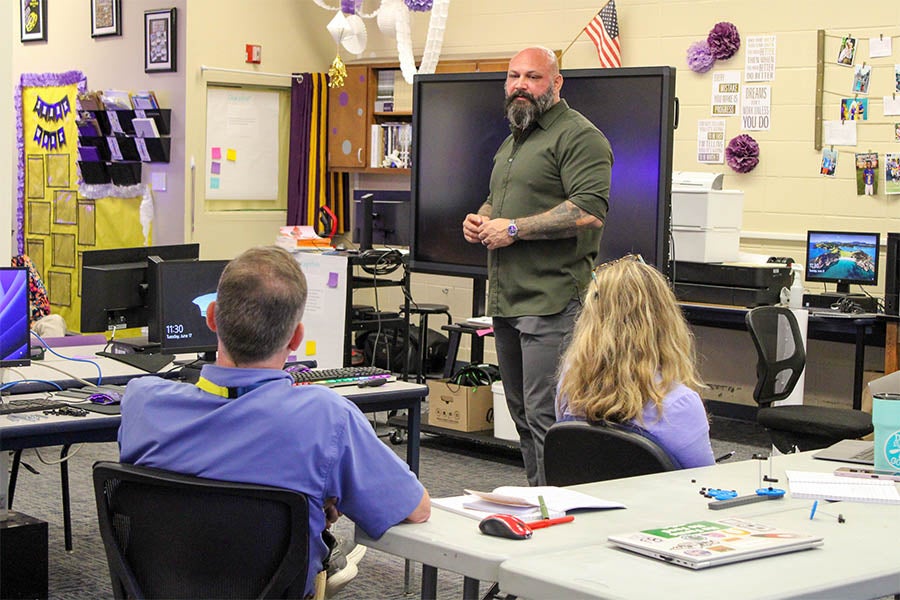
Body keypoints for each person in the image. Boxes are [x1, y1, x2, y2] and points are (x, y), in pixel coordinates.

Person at [118, 246, 430, 598]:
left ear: (211, 316)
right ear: (296, 338)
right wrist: (319, 491)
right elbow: (415, 509)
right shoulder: (326, 417)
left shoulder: (142, 403)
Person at [461, 46, 613, 486]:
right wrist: (483, 218)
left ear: (557, 83)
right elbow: (504, 203)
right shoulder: (514, 140)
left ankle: (559, 514)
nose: (520, 86)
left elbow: (588, 211)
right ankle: (538, 501)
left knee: (550, 419)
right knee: (522, 416)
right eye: (512, 77)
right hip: (507, 299)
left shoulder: (580, 136)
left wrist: (513, 230)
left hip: (552, 302)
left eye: (533, 77)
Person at [555, 256, 715, 469]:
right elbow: (703, 482)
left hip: (588, 500)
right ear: (665, 318)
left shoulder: (570, 386)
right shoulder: (677, 404)